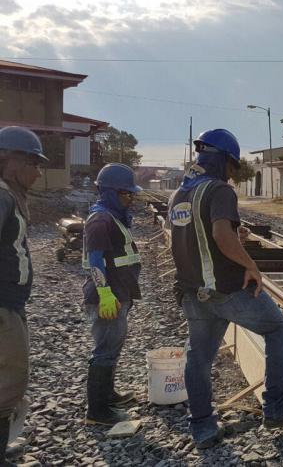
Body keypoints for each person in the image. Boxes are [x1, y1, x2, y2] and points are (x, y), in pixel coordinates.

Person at [168, 128, 283, 450]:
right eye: (233, 167)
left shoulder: (179, 195)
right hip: (225, 291)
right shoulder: (219, 191)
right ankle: (277, 408)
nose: (234, 175)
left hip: (192, 293)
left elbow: (191, 238)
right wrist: (250, 264)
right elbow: (221, 237)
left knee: (199, 357)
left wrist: (236, 238)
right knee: (278, 329)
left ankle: (203, 428)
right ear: (223, 160)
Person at [82, 163, 142, 425]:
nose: (131, 199)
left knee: (113, 347)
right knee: (104, 349)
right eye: (126, 194)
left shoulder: (113, 216)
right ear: (110, 192)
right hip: (108, 296)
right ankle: (97, 411)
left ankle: (108, 395)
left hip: (119, 292)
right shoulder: (100, 220)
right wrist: (105, 293)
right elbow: (95, 261)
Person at [0, 126, 46, 464]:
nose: (36, 171)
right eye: (31, 162)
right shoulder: (1, 196)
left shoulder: (9, 196)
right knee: (8, 384)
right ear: (7, 160)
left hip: (10, 305)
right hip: (2, 307)